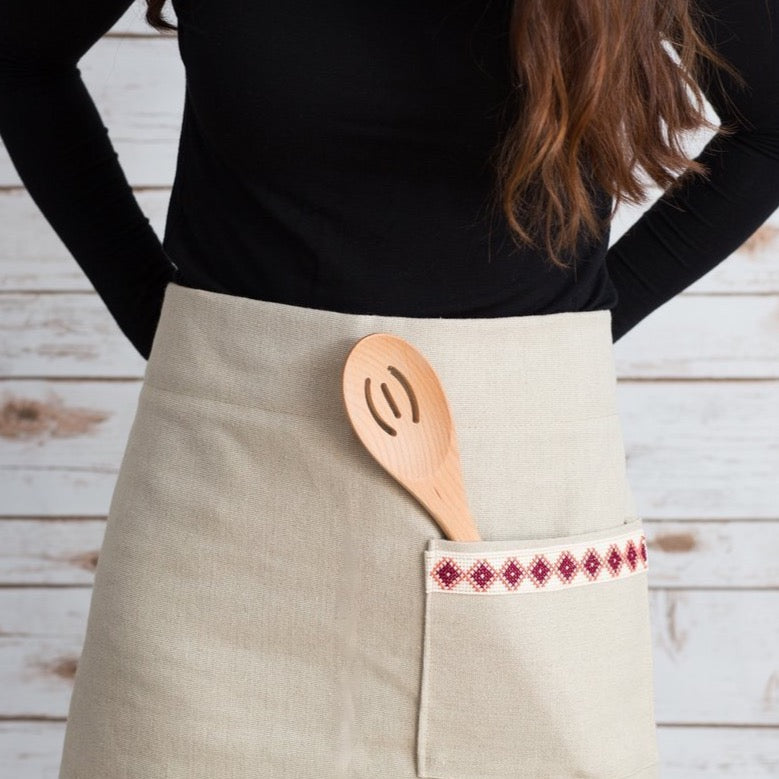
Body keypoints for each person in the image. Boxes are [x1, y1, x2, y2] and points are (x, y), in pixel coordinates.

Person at [1, 1, 777, 777]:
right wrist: (156, 314)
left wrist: (579, 326)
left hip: (515, 498)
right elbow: (20, 54)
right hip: (218, 500)